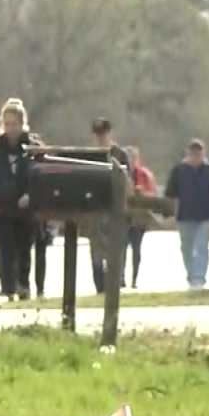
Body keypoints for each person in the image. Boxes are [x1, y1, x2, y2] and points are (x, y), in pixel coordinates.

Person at [0, 99, 35, 302]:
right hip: (2, 207)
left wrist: (30, 194)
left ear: (22, 124)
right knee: (4, 249)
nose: (11, 128)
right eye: (8, 124)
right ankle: (7, 286)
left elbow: (39, 173)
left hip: (25, 207)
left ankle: (23, 284)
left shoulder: (32, 148)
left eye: (15, 124)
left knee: (23, 248)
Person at [164, 139, 209, 289]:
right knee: (186, 248)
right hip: (184, 216)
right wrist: (169, 214)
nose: (196, 156)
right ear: (188, 153)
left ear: (203, 153)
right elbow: (170, 194)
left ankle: (199, 278)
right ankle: (191, 276)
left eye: (199, 153)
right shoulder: (179, 170)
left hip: (205, 216)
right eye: (193, 153)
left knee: (201, 246)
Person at [89, 117, 131, 293]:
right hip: (96, 206)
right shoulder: (90, 155)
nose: (101, 138)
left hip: (115, 205)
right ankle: (99, 284)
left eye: (103, 134)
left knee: (117, 245)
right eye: (98, 135)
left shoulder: (120, 154)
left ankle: (117, 279)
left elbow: (127, 179)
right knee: (97, 248)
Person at [127, 146, 158, 289]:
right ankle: (119, 278)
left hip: (139, 219)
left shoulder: (144, 175)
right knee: (119, 250)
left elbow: (153, 194)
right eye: (128, 158)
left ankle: (134, 278)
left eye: (133, 158)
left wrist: (141, 193)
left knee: (136, 249)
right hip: (122, 218)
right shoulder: (119, 173)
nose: (130, 161)